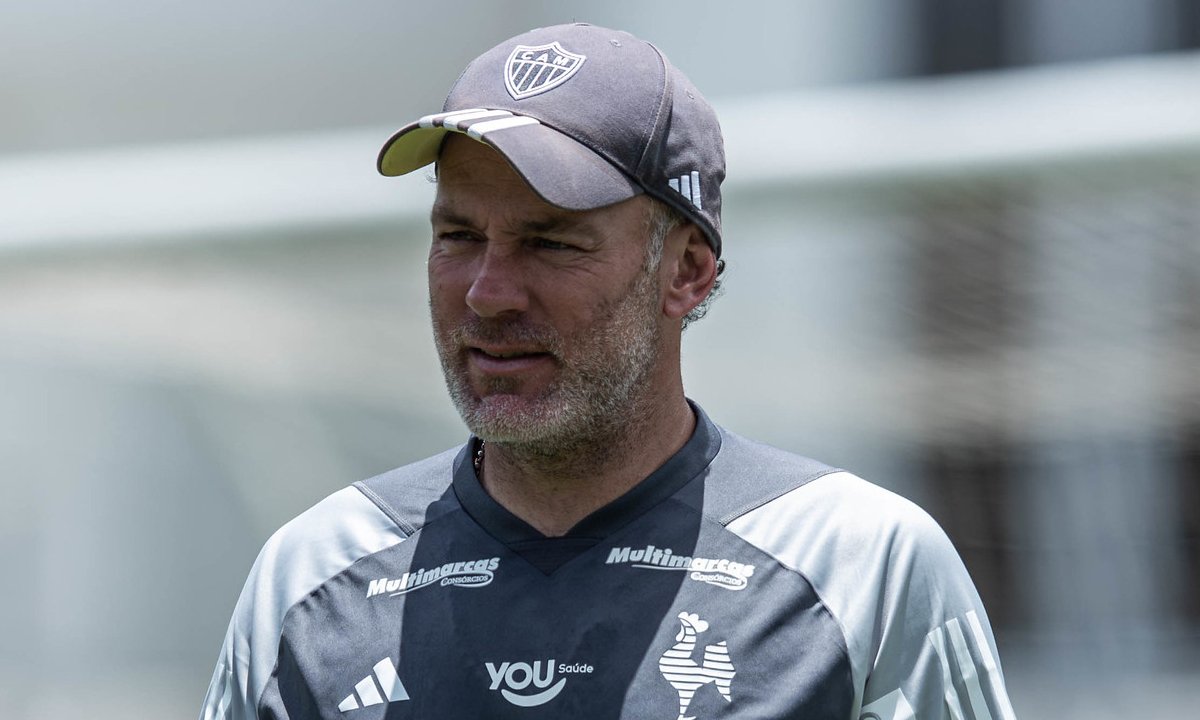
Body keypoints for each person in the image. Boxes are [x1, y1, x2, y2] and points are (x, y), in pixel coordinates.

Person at [200, 23, 1017, 720]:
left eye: (552, 243)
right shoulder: (310, 575)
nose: (486, 293)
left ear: (687, 272)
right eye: (457, 236)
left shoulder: (859, 562)